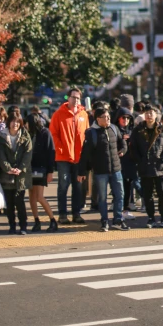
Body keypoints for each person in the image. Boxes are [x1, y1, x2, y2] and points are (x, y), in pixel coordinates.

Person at [78, 107, 128, 232]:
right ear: (97, 119)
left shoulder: (114, 128)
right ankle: (104, 221)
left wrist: (122, 151)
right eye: (105, 117)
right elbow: (85, 153)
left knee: (120, 195)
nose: (108, 119)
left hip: (116, 168)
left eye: (108, 117)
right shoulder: (91, 133)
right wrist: (82, 171)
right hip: (100, 171)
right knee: (102, 197)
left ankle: (118, 219)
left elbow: (123, 143)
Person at [129, 104, 163, 229]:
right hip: (145, 167)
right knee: (147, 195)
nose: (149, 115)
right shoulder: (138, 130)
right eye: (147, 113)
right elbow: (133, 147)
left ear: (156, 114)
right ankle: (151, 218)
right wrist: (139, 160)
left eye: (151, 113)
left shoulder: (162, 129)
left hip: (159, 167)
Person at [49, 87, 89, 225]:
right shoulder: (58, 114)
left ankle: (76, 214)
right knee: (63, 186)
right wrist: (60, 148)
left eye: (78, 97)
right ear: (68, 98)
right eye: (73, 97)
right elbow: (53, 133)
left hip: (79, 157)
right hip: (63, 157)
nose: (76, 100)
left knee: (78, 187)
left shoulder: (84, 114)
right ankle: (62, 214)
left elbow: (87, 134)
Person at [0, 113, 32, 235]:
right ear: (8, 122)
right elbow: (0, 155)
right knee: (9, 202)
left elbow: (28, 153)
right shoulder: (1, 136)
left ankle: (23, 225)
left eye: (18, 122)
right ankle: (12, 225)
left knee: (19, 200)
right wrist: (8, 168)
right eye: (13, 121)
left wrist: (20, 168)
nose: (16, 124)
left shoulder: (25, 135)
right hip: (6, 174)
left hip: (21, 174)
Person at [26, 113, 58, 232]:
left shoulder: (45, 133)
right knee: (31, 196)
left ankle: (52, 220)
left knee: (39, 196)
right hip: (30, 168)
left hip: (41, 168)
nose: (26, 126)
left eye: (28, 123)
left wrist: (50, 171)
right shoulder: (29, 134)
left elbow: (51, 152)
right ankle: (36, 221)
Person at [116, 107, 140, 219]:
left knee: (128, 187)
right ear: (118, 118)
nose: (126, 120)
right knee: (118, 189)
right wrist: (122, 139)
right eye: (123, 117)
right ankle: (118, 211)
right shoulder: (114, 129)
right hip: (118, 163)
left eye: (128, 118)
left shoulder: (132, 130)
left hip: (130, 163)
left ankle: (125, 210)